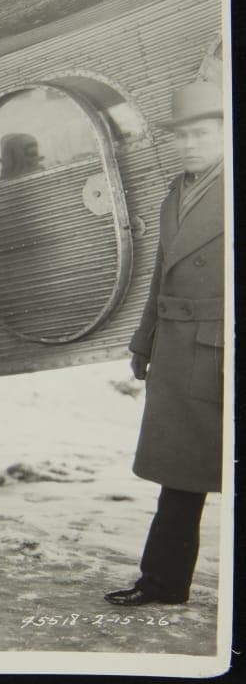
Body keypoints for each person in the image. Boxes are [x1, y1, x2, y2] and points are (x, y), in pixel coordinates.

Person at [105, 80, 226, 607]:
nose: (190, 144)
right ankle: (163, 582)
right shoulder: (176, 193)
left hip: (219, 349)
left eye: (202, 133)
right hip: (180, 348)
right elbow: (161, 274)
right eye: (182, 136)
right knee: (180, 474)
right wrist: (144, 340)